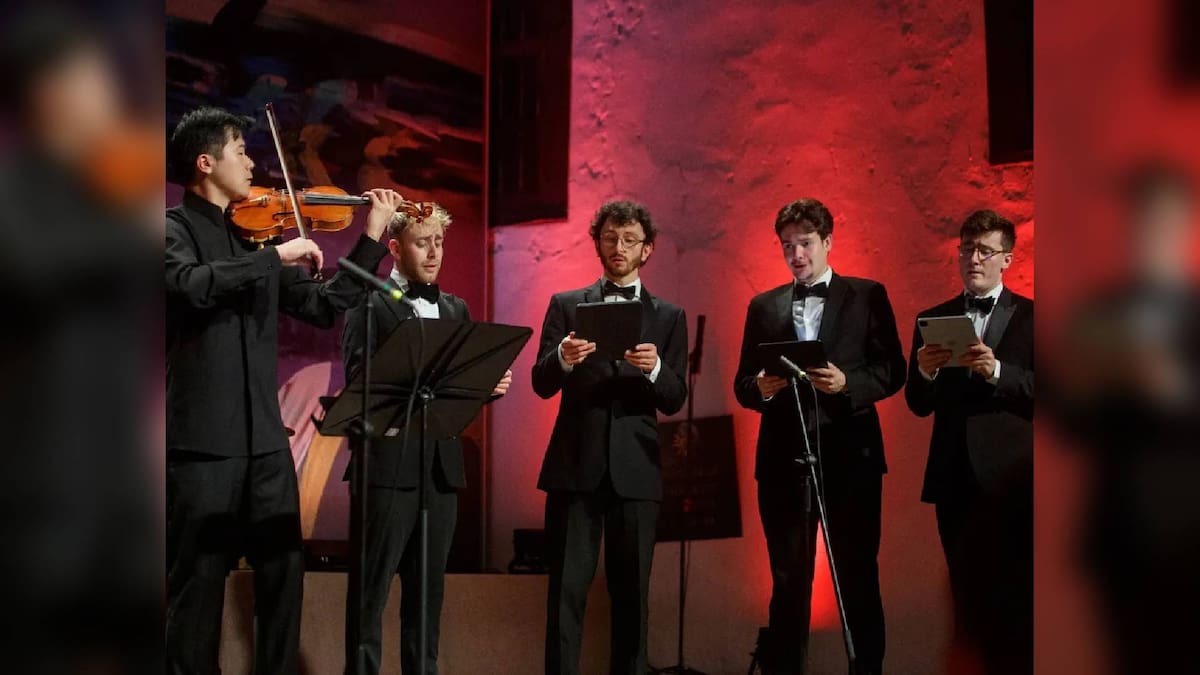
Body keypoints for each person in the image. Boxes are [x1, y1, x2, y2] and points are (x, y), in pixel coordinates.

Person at [165, 105, 402, 674]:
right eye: (240, 152)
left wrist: (370, 237)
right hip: (204, 444)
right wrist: (275, 256)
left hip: (267, 443)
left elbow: (325, 305)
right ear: (205, 163)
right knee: (197, 587)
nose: (252, 164)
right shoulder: (172, 229)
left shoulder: (254, 238)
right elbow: (188, 284)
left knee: (283, 575)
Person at [733, 198, 905, 675]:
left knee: (857, 577)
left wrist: (848, 383)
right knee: (788, 583)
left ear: (828, 242)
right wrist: (761, 388)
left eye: (806, 243)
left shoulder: (866, 295)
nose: (797, 255)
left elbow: (892, 369)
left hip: (850, 457)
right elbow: (743, 383)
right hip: (783, 461)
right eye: (787, 246)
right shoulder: (763, 306)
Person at [341, 202, 512, 674]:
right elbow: (359, 382)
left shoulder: (455, 307)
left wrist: (483, 387)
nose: (434, 252)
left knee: (426, 598)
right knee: (370, 595)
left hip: (439, 472)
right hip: (386, 470)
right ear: (395, 249)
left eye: (439, 242)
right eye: (423, 243)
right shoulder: (369, 303)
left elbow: (457, 392)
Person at [531, 200, 688, 675]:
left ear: (647, 249)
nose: (619, 247)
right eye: (610, 238)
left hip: (636, 470)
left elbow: (674, 399)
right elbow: (541, 383)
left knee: (633, 598)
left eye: (630, 240)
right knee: (565, 596)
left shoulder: (669, 316)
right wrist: (563, 357)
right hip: (575, 466)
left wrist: (655, 368)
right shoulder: (565, 305)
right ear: (598, 243)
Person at [904, 209, 1034, 674]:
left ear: (1007, 259)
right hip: (955, 477)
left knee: (1019, 599)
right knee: (964, 600)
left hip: (1015, 481)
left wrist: (996, 371)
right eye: (966, 250)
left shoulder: (1035, 316)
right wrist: (924, 371)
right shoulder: (932, 318)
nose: (973, 259)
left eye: (984, 251)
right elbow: (917, 403)